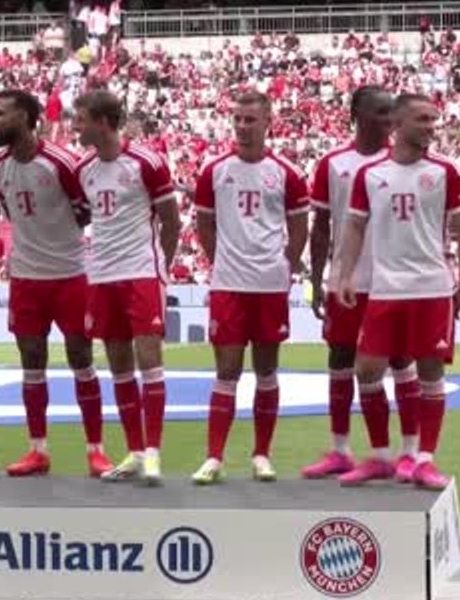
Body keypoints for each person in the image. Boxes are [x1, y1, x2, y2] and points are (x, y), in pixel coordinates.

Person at [332, 93, 460, 489]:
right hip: (384, 290)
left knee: (430, 372)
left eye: (434, 119)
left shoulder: (447, 172)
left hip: (431, 288)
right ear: (397, 123)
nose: (431, 126)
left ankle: (423, 458)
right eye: (422, 119)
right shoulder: (371, 175)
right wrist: (344, 275)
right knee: (367, 369)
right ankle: (380, 456)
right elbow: (355, 226)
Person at [0, 89, 110, 478]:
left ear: (25, 117)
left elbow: (84, 211)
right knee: (31, 362)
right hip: (26, 279)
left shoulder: (61, 163)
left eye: (1, 113)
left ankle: (96, 450)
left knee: (81, 360)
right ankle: (38, 449)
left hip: (69, 275)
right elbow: (10, 211)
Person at [189, 92, 309, 484]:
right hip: (228, 285)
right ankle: (213, 457)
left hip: (270, 286)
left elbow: (299, 227)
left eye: (250, 120)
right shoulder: (214, 170)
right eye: (237, 119)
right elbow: (204, 225)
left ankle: (261, 454)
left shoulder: (286, 173)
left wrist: (284, 265)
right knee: (226, 370)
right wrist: (220, 261)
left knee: (266, 369)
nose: (242, 126)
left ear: (267, 121)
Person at [303, 87, 422, 480]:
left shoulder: (404, 162)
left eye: (391, 113)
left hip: (394, 280)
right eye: (380, 112)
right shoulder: (333, 164)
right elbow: (321, 226)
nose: (388, 120)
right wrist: (318, 278)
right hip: (347, 280)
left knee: (402, 361)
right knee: (339, 359)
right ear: (356, 113)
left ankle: (408, 452)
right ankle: (340, 450)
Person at [71, 90, 181, 485]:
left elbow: (172, 221)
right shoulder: (83, 170)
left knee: (149, 361)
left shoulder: (146, 162)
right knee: (118, 366)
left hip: (140, 272)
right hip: (102, 275)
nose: (75, 125)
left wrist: (160, 269)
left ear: (103, 121)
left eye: (81, 118)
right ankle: (134, 451)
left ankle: (153, 454)